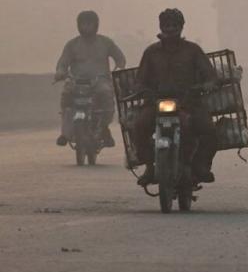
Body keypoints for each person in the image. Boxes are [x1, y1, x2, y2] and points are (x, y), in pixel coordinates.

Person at [131, 9, 219, 186]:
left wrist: (207, 84)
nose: (170, 29)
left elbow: (210, 76)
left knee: (210, 130)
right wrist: (142, 90)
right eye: (167, 26)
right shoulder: (151, 52)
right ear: (161, 27)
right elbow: (140, 80)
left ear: (181, 27)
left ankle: (200, 165)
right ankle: (149, 166)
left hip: (189, 102)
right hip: (156, 102)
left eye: (174, 26)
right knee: (138, 127)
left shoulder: (193, 50)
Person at [55, 10, 126, 147]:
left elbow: (120, 58)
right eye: (83, 24)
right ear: (78, 26)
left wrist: (120, 66)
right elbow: (63, 63)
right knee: (66, 96)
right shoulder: (72, 45)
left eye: (89, 24)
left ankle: (104, 128)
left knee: (106, 95)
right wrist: (60, 72)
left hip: (100, 81)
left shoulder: (106, 42)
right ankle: (65, 133)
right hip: (76, 82)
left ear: (96, 25)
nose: (86, 27)